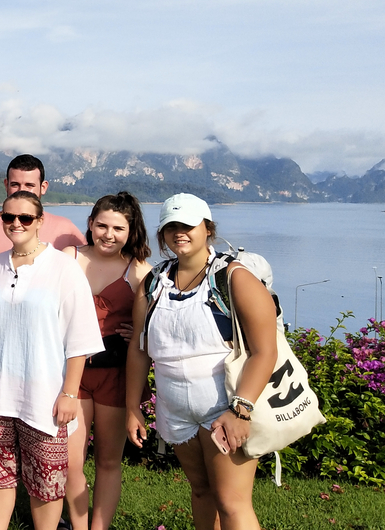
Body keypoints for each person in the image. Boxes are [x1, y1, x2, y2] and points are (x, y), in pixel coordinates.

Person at [126, 194, 278, 530]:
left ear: (207, 228)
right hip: (175, 411)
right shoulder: (153, 283)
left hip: (223, 407)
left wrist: (240, 410)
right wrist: (132, 406)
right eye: (171, 226)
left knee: (232, 502)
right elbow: (139, 348)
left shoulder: (234, 277)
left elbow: (265, 351)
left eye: (188, 225)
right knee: (201, 493)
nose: (179, 232)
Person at [0, 191, 104, 530]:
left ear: (40, 221)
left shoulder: (63, 269)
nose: (16, 224)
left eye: (25, 218)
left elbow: (79, 338)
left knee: (46, 483)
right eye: (9, 217)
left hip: (43, 398)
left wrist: (70, 393)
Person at [59, 193, 152, 530]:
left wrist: (141, 333)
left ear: (131, 232)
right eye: (102, 225)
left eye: (118, 228)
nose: (108, 234)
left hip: (116, 373)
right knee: (70, 463)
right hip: (73, 373)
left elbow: (162, 322)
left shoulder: (139, 269)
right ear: (90, 224)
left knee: (109, 461)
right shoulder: (67, 258)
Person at [0, 154, 85, 273]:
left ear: (43, 187)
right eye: (15, 185)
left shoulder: (65, 229)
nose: (22, 191)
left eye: (29, 185)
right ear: (6, 185)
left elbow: (93, 259)